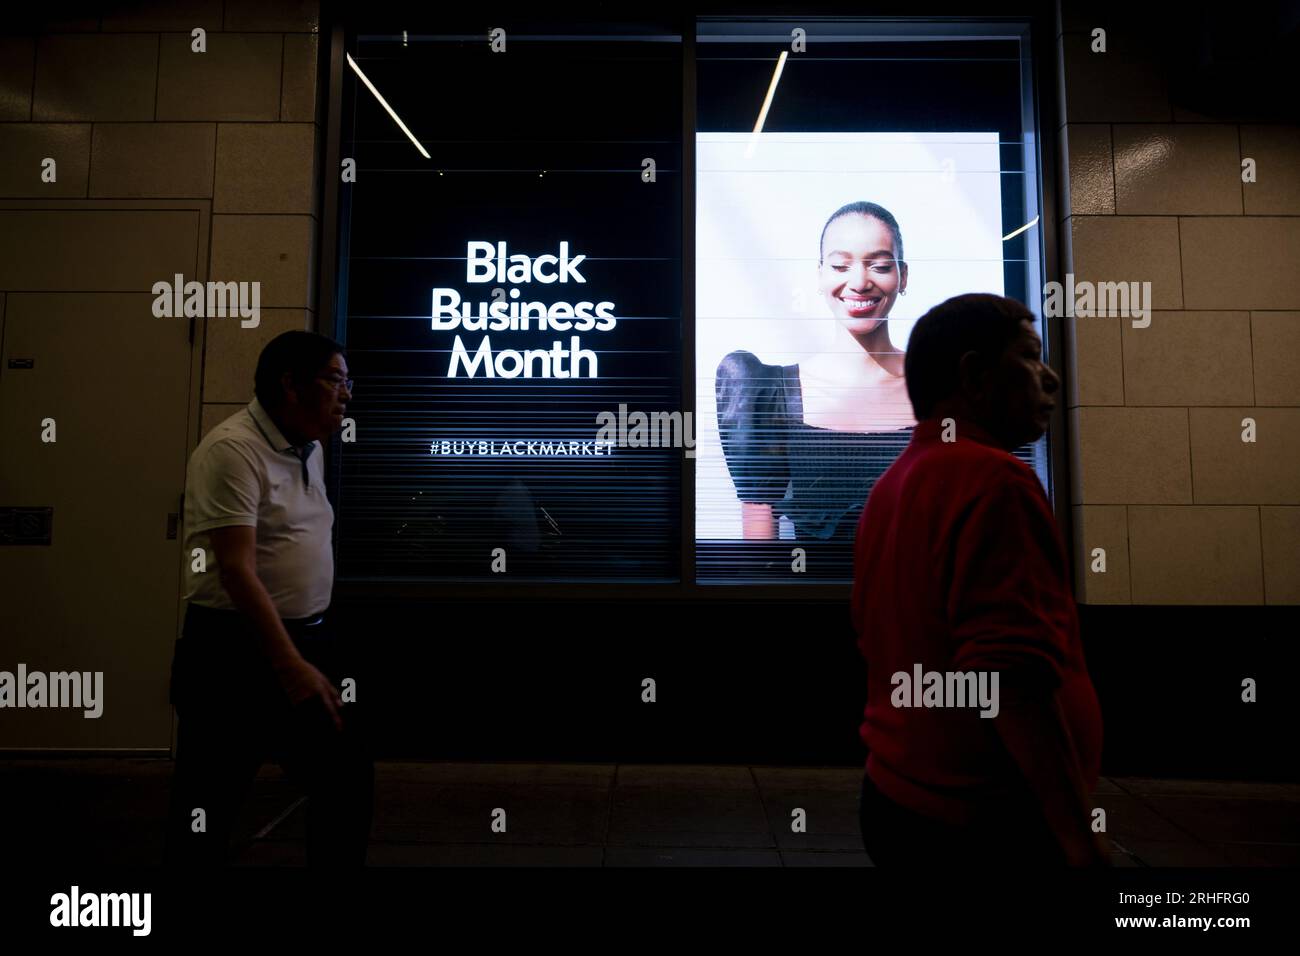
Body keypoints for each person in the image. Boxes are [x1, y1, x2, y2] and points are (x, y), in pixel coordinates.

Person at [851, 293, 1105, 866]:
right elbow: (1010, 675)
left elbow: (871, 636)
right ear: (973, 375)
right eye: (1030, 357)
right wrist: (1075, 834)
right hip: (983, 824)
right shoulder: (994, 481)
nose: (1051, 379)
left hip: (899, 796)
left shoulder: (894, 482)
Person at [164, 331, 373, 866]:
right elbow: (237, 571)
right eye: (335, 380)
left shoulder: (310, 447)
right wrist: (290, 666)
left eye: (348, 381)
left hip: (303, 642)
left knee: (345, 779)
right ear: (290, 384)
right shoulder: (232, 451)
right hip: (233, 653)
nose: (346, 393)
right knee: (207, 804)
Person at [716, 201, 915, 541]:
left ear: (903, 276)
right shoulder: (770, 393)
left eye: (880, 266)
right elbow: (759, 557)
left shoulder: (943, 387)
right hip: (810, 593)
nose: (859, 282)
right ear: (820, 275)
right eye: (840, 266)